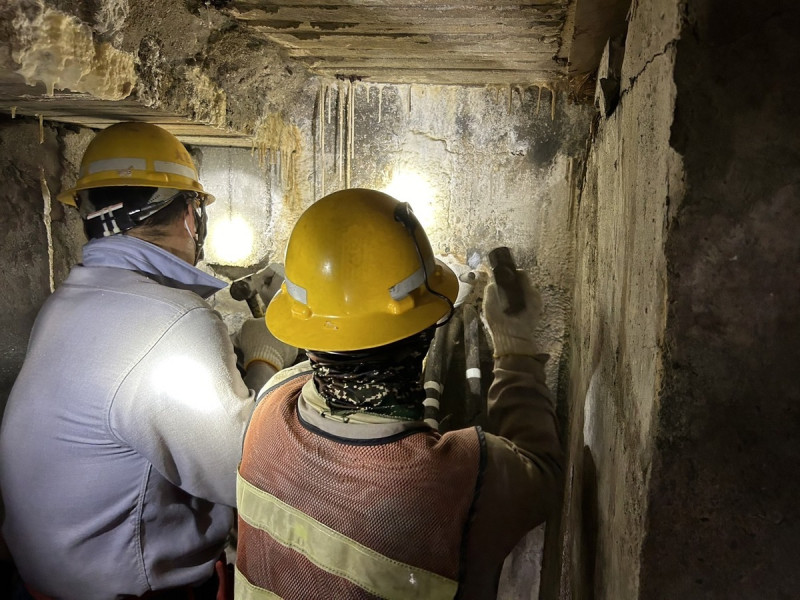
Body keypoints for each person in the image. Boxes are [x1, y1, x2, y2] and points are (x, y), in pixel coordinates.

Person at [0, 122, 296, 600]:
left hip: (43, 578)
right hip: (129, 591)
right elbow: (244, 475)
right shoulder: (175, 322)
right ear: (190, 215)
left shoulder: (68, 301)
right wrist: (266, 358)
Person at [235, 188, 564, 599]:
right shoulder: (457, 477)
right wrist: (514, 344)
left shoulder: (270, 401)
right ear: (423, 333)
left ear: (307, 328)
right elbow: (542, 473)